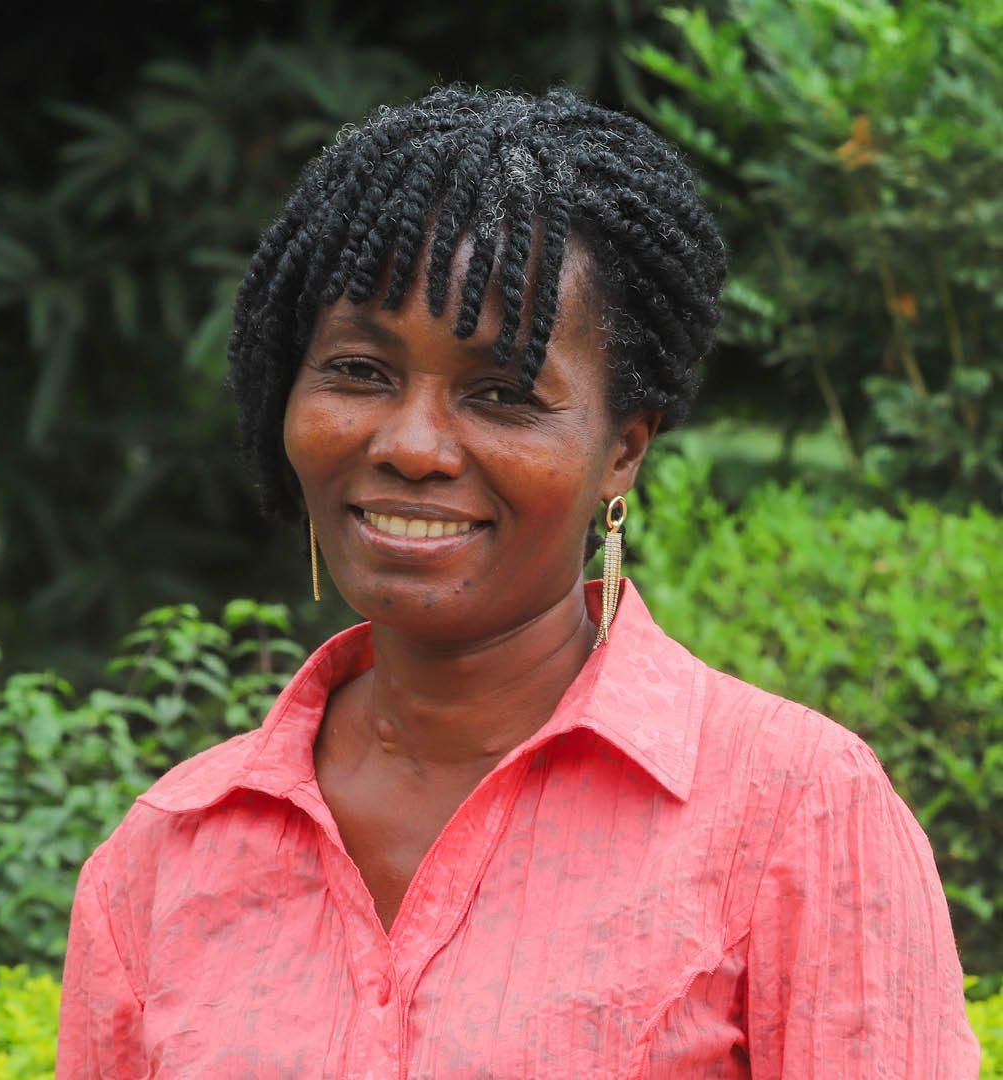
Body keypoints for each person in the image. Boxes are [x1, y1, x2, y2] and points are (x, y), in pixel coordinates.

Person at [56, 86, 979, 1078]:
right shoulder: (163, 859)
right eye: (360, 371)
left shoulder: (794, 814)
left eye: (502, 393)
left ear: (621, 452)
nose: (410, 446)